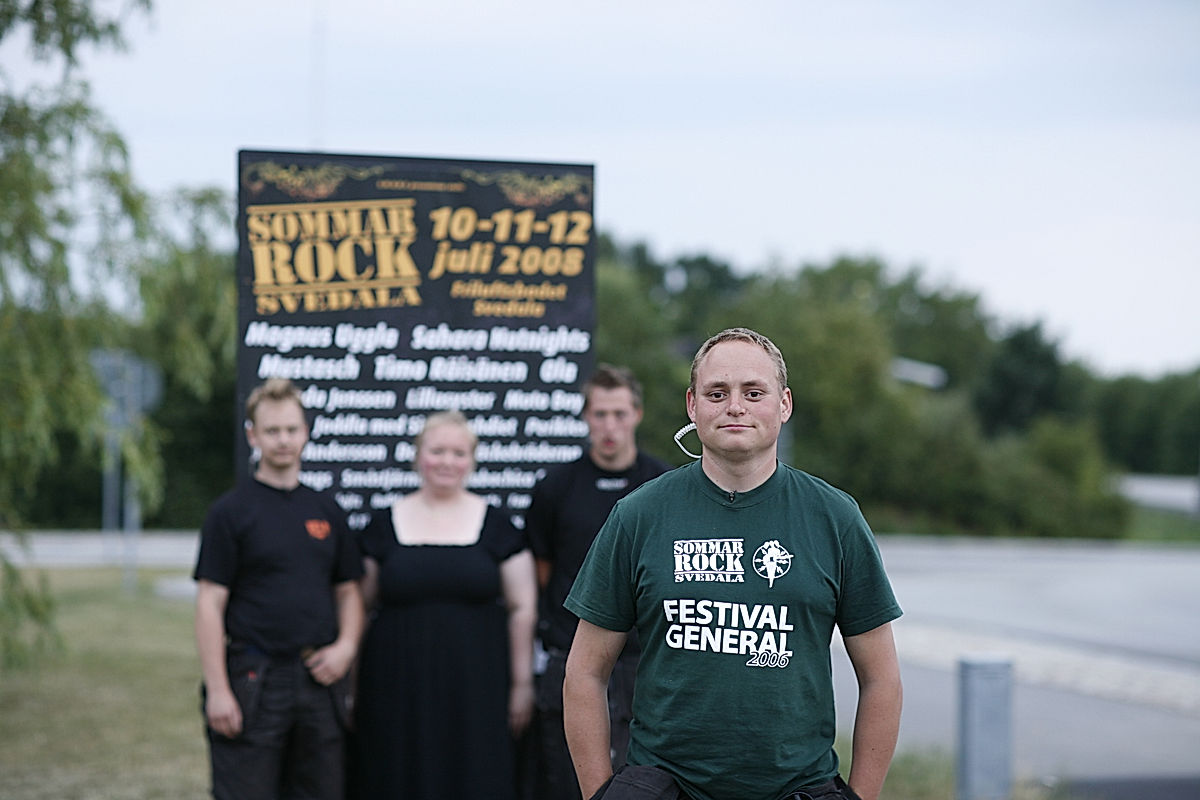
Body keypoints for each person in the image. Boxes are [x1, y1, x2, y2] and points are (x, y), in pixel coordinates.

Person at [563, 328, 903, 800]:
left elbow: (881, 678)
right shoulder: (639, 515)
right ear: (692, 405)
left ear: (784, 404)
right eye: (717, 393)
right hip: (666, 785)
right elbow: (584, 672)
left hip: (795, 787)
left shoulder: (835, 518)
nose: (735, 407)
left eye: (754, 392)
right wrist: (599, 793)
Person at [194, 377, 365, 800]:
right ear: (252, 435)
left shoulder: (327, 510)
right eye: (272, 431)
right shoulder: (230, 513)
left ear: (305, 432)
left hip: (319, 680)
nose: (283, 440)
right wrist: (219, 690)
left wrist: (345, 648)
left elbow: (349, 592)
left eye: (291, 429)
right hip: (254, 679)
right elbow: (210, 603)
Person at [352, 410, 537, 799]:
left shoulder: (499, 527)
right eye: (437, 451)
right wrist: (350, 682)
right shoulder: (382, 525)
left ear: (472, 460)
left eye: (458, 452)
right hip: (394, 687)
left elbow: (522, 608)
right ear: (418, 455)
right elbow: (358, 606)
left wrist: (521, 683)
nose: (447, 462)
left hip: (478, 688)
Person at [526, 364, 671, 800]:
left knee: (646, 785)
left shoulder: (662, 485)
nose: (610, 426)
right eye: (600, 414)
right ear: (586, 416)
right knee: (568, 784)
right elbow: (543, 572)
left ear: (637, 415)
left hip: (646, 661)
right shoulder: (555, 488)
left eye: (619, 414)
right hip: (570, 655)